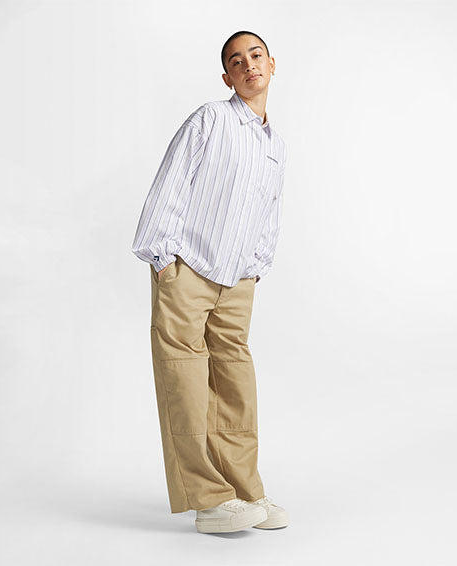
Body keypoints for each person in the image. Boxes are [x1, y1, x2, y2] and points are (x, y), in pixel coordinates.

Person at [131, 30, 289, 534]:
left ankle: (244, 490)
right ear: (227, 77)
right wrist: (163, 260)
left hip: (237, 279)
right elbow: (171, 181)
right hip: (187, 269)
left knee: (235, 386)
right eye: (236, 61)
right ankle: (208, 500)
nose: (249, 65)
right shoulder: (211, 119)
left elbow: (269, 210)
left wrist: (256, 265)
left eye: (256, 55)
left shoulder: (275, 143)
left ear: (272, 64)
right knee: (185, 383)